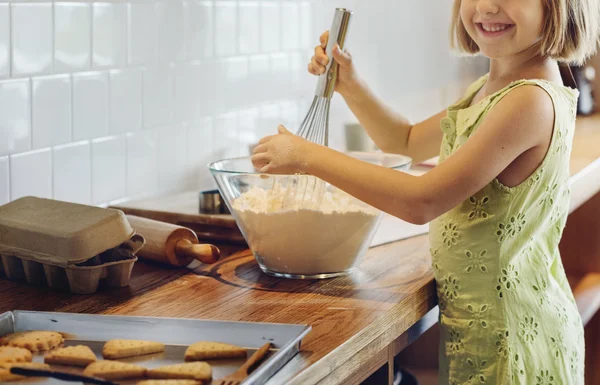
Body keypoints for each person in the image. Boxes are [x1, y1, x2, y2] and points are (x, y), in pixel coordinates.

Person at [251, 0, 600, 383]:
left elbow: (422, 201)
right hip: (486, 330)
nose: (486, 6)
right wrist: (351, 84)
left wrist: (307, 156)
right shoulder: (491, 87)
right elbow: (405, 140)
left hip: (511, 341)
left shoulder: (528, 100)